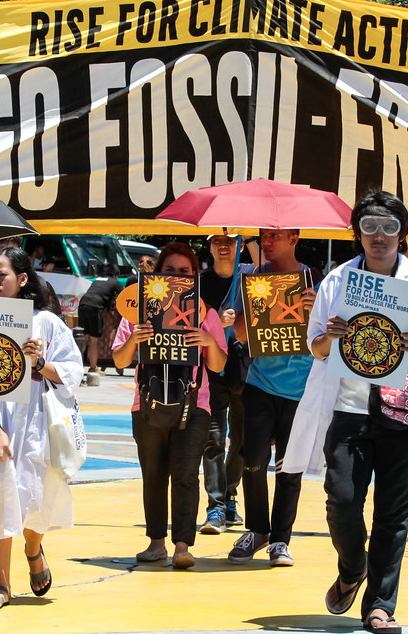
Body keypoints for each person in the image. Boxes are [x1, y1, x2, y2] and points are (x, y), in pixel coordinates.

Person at [292, 191, 408, 632]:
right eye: (369, 227)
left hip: (402, 411)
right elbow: (316, 346)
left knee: (393, 513)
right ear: (357, 234)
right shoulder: (338, 281)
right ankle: (353, 567)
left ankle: (380, 606)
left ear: (403, 234)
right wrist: (330, 335)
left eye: (389, 227)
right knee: (342, 500)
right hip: (347, 410)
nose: (379, 237)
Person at [0, 247, 83, 608]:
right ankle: (2, 585)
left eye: (2, 275)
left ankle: (33, 546)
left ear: (22, 279)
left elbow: (71, 373)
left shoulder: (47, 323)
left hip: (35, 421)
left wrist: (39, 362)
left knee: (35, 495)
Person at [112, 243, 228, 569]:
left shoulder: (206, 313)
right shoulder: (137, 311)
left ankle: (182, 546)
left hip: (195, 404)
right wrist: (135, 337)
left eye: (185, 272)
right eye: (170, 270)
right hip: (146, 404)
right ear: (158, 273)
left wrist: (207, 342)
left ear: (195, 276)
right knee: (153, 473)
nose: (177, 277)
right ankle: (156, 543)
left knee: (186, 474)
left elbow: (218, 365)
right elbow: (120, 358)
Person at [227, 229, 316, 567]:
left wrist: (312, 307)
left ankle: (281, 539)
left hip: (300, 390)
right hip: (260, 384)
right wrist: (253, 309)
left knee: (289, 468)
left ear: (294, 238)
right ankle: (258, 530)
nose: (266, 241)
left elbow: (322, 335)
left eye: (275, 236)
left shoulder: (310, 281)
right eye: (264, 235)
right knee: (253, 459)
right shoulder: (250, 278)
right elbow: (237, 334)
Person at [198, 234, 255, 533]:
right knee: (214, 437)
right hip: (213, 365)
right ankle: (216, 506)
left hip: (247, 364)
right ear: (209, 246)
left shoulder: (253, 274)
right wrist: (214, 324)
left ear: (242, 245)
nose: (224, 245)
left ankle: (230, 492)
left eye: (231, 240)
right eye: (217, 240)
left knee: (242, 440)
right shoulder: (198, 283)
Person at [78, 263, 123, 376]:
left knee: (84, 339)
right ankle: (93, 368)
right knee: (94, 340)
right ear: (114, 275)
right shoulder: (114, 282)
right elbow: (124, 297)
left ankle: (76, 366)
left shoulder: (97, 280)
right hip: (95, 307)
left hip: (83, 304)